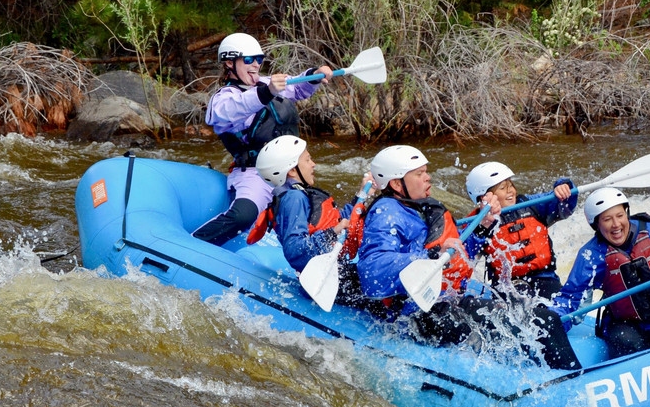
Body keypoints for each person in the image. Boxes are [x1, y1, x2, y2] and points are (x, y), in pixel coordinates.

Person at [356, 145, 580, 370]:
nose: (428, 177)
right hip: (421, 314)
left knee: (537, 317)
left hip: (445, 300)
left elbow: (458, 258)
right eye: (419, 174)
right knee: (545, 321)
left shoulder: (419, 208)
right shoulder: (387, 212)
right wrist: (432, 254)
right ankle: (574, 383)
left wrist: (482, 227)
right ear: (396, 184)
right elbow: (372, 272)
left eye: (426, 171)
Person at [193, 32, 333, 246]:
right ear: (230, 63)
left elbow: (299, 88)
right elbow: (235, 109)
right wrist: (267, 92)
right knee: (243, 216)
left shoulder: (268, 83)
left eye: (259, 59)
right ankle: (194, 244)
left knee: (317, 214)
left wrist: (315, 75)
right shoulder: (223, 99)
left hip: (290, 174)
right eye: (248, 60)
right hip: (255, 174)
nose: (256, 65)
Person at [551, 187, 650, 359]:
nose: (616, 224)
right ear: (596, 224)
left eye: (620, 216)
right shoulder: (591, 255)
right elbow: (571, 297)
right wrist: (551, 321)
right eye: (607, 219)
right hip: (628, 326)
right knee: (625, 342)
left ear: (626, 213)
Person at [246, 136, 368, 306]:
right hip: (325, 278)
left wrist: (361, 194)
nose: (314, 164)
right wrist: (332, 233)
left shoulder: (301, 194)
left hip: (333, 271)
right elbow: (295, 253)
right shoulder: (293, 198)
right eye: (308, 159)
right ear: (292, 171)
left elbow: (340, 221)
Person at [464, 161, 577, 301]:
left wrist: (564, 186)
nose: (510, 190)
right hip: (506, 285)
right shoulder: (477, 223)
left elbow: (566, 206)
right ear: (484, 197)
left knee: (555, 304)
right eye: (503, 188)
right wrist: (483, 225)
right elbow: (464, 254)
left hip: (544, 277)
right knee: (520, 298)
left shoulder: (531, 204)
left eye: (510, 185)